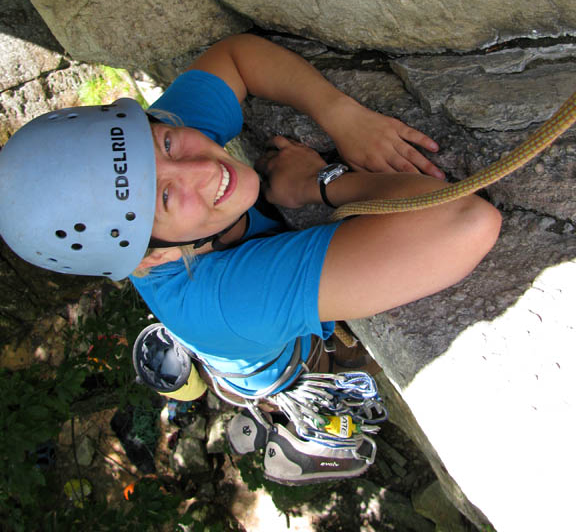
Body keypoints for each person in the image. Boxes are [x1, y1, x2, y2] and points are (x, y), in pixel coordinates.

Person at [0, 34, 501, 474]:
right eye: (167, 198)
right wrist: (320, 185)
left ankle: (197, 362)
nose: (202, 168)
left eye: (168, 142)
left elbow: (235, 57)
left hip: (219, 315)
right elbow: (465, 222)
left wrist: (341, 113)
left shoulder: (144, 167)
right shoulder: (228, 300)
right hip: (273, 355)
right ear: (147, 260)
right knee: (288, 357)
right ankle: (259, 398)